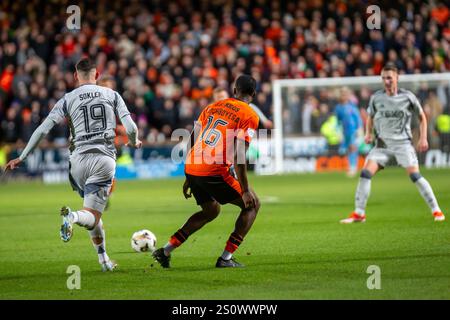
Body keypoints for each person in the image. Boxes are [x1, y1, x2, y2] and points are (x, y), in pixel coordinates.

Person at [5, 58, 142, 271]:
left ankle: (104, 260)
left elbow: (42, 129)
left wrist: (22, 156)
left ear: (76, 76)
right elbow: (131, 127)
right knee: (91, 215)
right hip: (103, 157)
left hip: (77, 161)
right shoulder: (112, 95)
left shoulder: (68, 98)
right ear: (97, 76)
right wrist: (133, 142)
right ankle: (73, 216)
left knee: (92, 211)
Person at [152, 75, 261, 268]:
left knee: (211, 210)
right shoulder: (250, 115)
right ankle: (226, 258)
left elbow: (193, 138)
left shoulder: (212, 107)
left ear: (234, 90)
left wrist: (188, 175)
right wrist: (244, 191)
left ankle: (166, 250)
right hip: (214, 169)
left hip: (193, 166)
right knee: (252, 205)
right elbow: (240, 156)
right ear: (253, 94)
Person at [341, 63, 445, 223]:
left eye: (389, 78)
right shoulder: (376, 98)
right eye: (383, 78)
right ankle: (359, 213)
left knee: (415, 176)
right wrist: (368, 133)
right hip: (382, 146)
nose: (386, 81)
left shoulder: (408, 97)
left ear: (397, 78)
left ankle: (436, 211)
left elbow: (422, 117)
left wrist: (423, 138)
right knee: (365, 173)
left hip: (403, 145)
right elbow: (370, 117)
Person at [335, 87, 363, 176]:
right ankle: (350, 166)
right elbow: (338, 121)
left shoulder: (351, 106)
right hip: (344, 131)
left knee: (352, 147)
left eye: (345, 94)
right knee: (346, 149)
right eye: (342, 94)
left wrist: (359, 129)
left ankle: (353, 167)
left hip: (352, 130)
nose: (344, 96)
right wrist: (338, 132)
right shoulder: (338, 108)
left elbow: (357, 118)